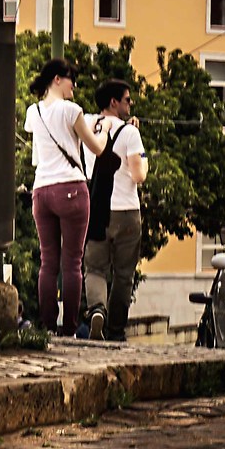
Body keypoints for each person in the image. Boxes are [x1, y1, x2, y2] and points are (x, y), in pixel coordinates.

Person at [25, 60, 106, 336]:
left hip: (41, 191)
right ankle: (69, 329)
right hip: (70, 188)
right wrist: (105, 130)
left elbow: (37, 153)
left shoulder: (33, 111)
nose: (75, 86)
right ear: (57, 79)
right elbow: (96, 148)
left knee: (48, 261)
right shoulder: (72, 110)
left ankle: (48, 327)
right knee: (72, 262)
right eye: (72, 79)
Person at [84, 79, 147, 341]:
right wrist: (143, 157)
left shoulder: (87, 124)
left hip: (97, 209)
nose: (131, 104)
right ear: (114, 102)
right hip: (127, 211)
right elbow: (139, 175)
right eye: (127, 99)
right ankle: (115, 331)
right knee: (124, 274)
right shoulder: (130, 133)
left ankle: (97, 309)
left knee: (95, 268)